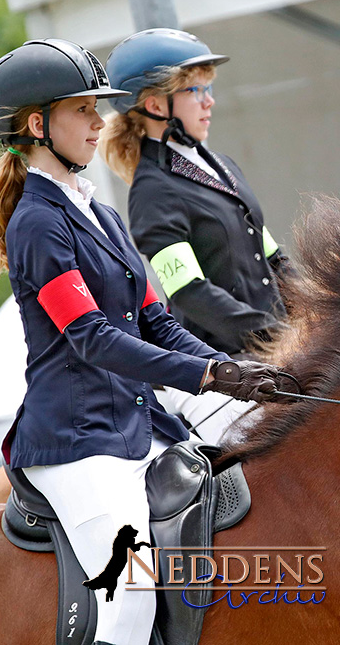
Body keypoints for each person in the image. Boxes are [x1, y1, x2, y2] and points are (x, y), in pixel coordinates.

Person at [0, 38, 281, 645]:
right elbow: (92, 339)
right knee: (128, 599)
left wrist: (233, 370)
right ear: (37, 124)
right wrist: (201, 377)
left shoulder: (102, 214)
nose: (99, 121)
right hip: (76, 442)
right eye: (82, 110)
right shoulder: (37, 223)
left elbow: (160, 323)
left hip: (134, 419)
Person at [101, 28, 291, 444]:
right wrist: (272, 332)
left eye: (209, 88)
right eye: (196, 90)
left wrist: (318, 312)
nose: (210, 101)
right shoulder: (152, 190)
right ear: (155, 104)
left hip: (278, 346)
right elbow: (189, 291)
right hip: (222, 367)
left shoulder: (221, 165)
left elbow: (273, 258)